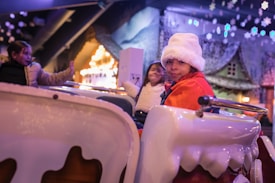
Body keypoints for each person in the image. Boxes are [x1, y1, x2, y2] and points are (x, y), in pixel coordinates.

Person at [160, 33, 215, 110]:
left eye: (181, 62)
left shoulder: (192, 86)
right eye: (169, 61)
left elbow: (166, 119)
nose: (173, 67)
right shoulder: (185, 82)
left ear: (192, 66)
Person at [0, 40, 74, 87]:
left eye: (30, 54)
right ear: (14, 54)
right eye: (26, 53)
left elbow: (51, 79)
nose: (29, 57)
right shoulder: (2, 66)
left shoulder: (34, 68)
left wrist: (68, 73)